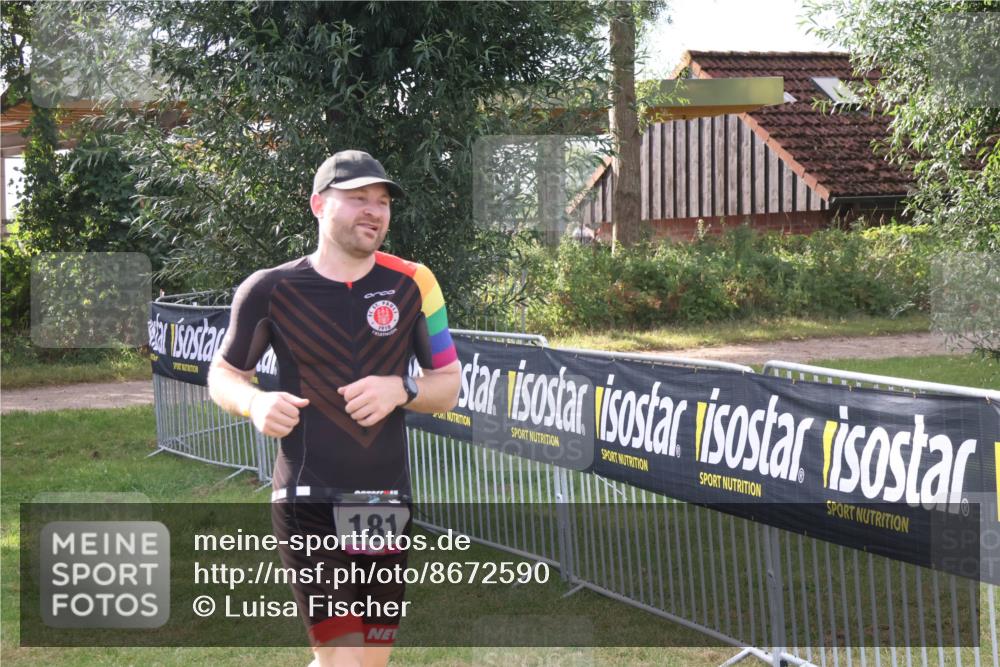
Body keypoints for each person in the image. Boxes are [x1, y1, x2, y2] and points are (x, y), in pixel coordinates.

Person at [208, 149, 461, 667]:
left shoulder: (416, 283)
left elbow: (448, 385)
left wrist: (401, 389)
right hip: (307, 498)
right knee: (344, 659)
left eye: (383, 200)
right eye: (358, 198)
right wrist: (253, 401)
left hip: (383, 500)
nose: (374, 210)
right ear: (318, 205)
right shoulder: (270, 288)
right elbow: (223, 374)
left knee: (364, 662)